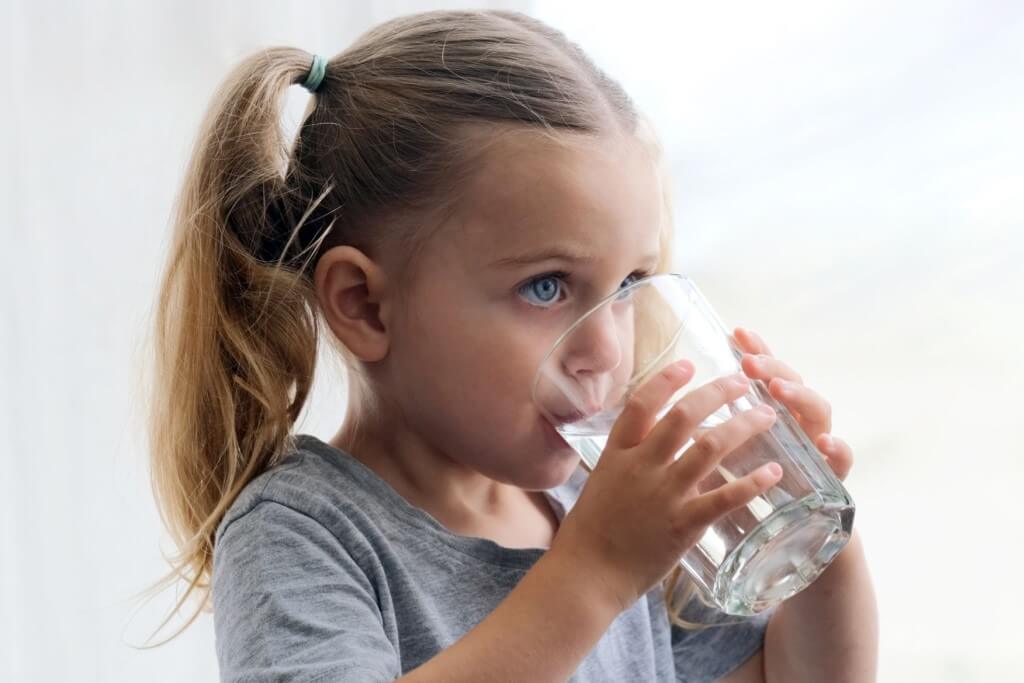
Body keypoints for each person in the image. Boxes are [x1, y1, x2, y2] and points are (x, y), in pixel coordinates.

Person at [146, 9, 878, 682]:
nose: (605, 349)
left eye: (629, 282)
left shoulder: (603, 502)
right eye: (547, 287)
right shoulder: (301, 532)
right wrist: (593, 572)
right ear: (365, 305)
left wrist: (818, 547)